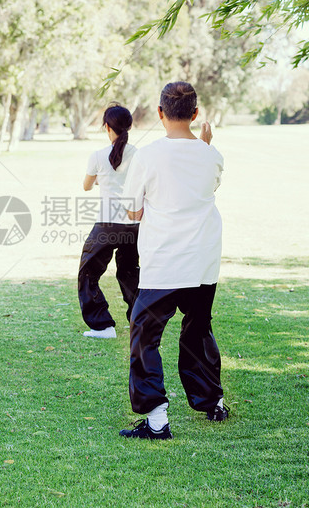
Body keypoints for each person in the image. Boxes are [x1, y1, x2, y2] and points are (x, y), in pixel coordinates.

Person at [118, 81, 228, 439]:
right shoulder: (212, 154)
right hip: (203, 260)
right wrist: (205, 146)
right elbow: (204, 184)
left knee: (144, 335)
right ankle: (213, 403)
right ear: (195, 114)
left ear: (160, 112)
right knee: (198, 328)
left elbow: (133, 213)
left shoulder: (147, 156)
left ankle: (157, 420)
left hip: (165, 262)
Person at [77, 105, 140, 339]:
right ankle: (139, 324)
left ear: (107, 127)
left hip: (107, 223)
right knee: (130, 274)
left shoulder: (97, 156)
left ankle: (103, 326)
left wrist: (101, 180)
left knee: (88, 274)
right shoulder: (140, 155)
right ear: (129, 127)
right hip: (134, 224)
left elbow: (85, 185)